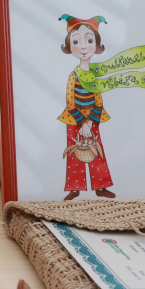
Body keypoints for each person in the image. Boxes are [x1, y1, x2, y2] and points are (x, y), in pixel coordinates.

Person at [57, 14, 115, 199]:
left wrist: (90, 122)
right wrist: (82, 123)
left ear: (97, 45)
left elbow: (98, 100)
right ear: (69, 45)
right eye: (76, 41)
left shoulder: (94, 75)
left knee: (96, 150)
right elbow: (70, 101)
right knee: (75, 151)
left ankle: (101, 186)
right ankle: (75, 188)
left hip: (93, 118)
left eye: (89, 41)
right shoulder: (73, 76)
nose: (83, 47)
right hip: (74, 119)